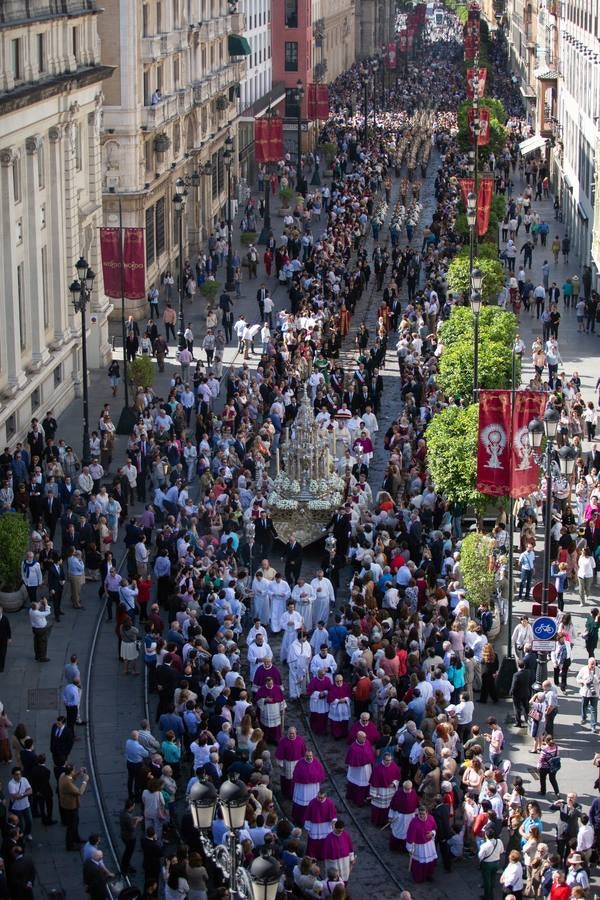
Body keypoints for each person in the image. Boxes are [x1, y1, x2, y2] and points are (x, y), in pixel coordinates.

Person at [405, 805, 437, 883]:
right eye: (420, 814)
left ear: (427, 813)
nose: (422, 816)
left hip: (429, 845)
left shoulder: (431, 818)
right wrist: (410, 849)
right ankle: (419, 878)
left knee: (430, 861)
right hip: (419, 846)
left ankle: (428, 875)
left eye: (423, 814)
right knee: (419, 863)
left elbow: (434, 828)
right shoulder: (414, 822)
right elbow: (410, 836)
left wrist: (432, 833)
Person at [323, 819, 355, 884]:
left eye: (342, 830)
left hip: (344, 861)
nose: (340, 832)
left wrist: (352, 858)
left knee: (345, 875)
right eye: (338, 831)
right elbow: (326, 852)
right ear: (335, 828)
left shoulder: (346, 835)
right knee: (334, 877)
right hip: (333, 861)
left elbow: (350, 847)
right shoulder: (329, 838)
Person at [576, 657, 600, 731]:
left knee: (594, 709)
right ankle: (584, 717)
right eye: (591, 664)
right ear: (588, 663)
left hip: (594, 693)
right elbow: (577, 679)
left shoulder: (598, 670)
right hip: (585, 692)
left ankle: (593, 725)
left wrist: (598, 681)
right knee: (584, 705)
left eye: (594, 664)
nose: (593, 666)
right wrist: (583, 681)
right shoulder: (583, 669)